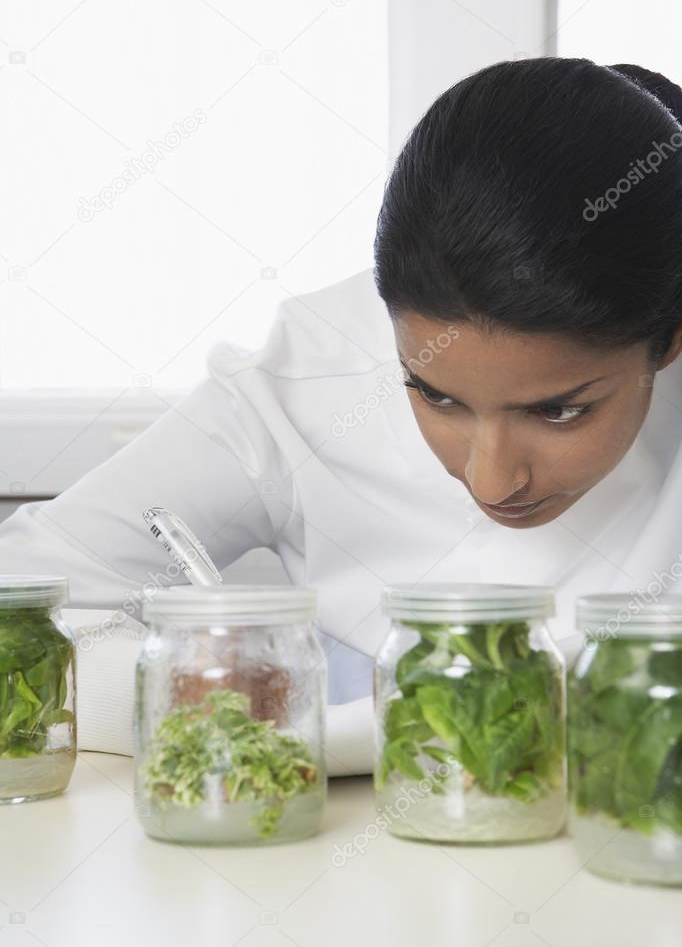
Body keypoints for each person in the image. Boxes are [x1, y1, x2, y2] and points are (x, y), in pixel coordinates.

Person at [3, 56, 682, 773]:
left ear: (668, 339)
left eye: (558, 410)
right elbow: (26, 592)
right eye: (436, 395)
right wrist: (196, 694)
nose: (492, 481)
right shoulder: (306, 381)